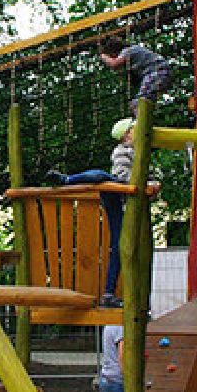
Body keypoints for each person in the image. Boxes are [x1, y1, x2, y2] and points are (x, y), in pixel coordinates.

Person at [46, 126, 148, 308]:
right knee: (100, 175)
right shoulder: (123, 151)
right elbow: (123, 176)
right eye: (133, 130)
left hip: (120, 196)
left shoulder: (137, 151)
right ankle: (66, 180)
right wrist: (142, 184)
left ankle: (109, 293)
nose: (138, 132)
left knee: (119, 245)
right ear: (126, 136)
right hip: (117, 192)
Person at [98, 36, 174, 105]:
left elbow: (114, 64)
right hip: (162, 73)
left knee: (138, 102)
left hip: (157, 73)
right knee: (141, 102)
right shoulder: (135, 51)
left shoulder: (127, 51)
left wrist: (103, 56)